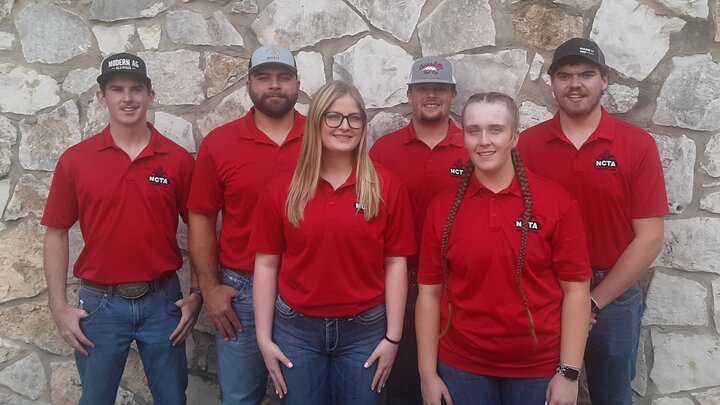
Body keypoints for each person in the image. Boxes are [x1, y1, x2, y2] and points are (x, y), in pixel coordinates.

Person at [41, 52, 201, 405]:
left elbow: (200, 227)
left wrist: (199, 292)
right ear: (102, 97)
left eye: (136, 89)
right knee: (96, 400)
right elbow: (55, 232)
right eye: (117, 89)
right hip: (99, 304)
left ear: (150, 95)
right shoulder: (75, 160)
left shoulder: (176, 160)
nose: (127, 98)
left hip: (163, 301)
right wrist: (58, 306)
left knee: (173, 399)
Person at [518, 38, 668, 405]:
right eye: (565, 75)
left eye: (587, 74)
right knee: (542, 396)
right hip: (545, 294)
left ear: (604, 82)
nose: (575, 83)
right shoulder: (526, 146)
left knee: (612, 397)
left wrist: (593, 303)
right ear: (552, 82)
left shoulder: (636, 145)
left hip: (613, 299)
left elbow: (649, 238)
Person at [416, 92, 592, 405]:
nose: (484, 141)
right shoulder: (442, 208)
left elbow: (576, 291)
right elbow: (429, 294)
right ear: (464, 138)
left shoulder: (556, 202)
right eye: (474, 131)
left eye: (495, 130)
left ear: (514, 137)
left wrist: (569, 372)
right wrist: (427, 374)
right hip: (462, 367)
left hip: (537, 369)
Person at [251, 80, 416, 405]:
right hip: (296, 331)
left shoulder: (386, 186)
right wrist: (263, 338)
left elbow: (396, 263)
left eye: (355, 118)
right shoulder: (283, 189)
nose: (345, 126)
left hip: (365, 331)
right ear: (316, 123)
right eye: (334, 117)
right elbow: (267, 264)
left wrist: (393, 337)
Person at [187, 44, 305, 404]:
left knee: (307, 395)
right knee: (240, 397)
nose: (274, 86)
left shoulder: (324, 137)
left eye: (283, 78)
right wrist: (210, 289)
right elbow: (201, 217)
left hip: (306, 287)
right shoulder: (220, 144)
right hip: (242, 290)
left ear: (297, 83)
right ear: (249, 85)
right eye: (263, 77)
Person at [369, 56, 466, 405]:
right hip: (399, 287)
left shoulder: (473, 148)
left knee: (454, 384)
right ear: (410, 94)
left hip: (457, 289)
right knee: (400, 386)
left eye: (440, 88)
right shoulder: (383, 150)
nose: (431, 95)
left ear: (453, 95)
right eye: (423, 88)